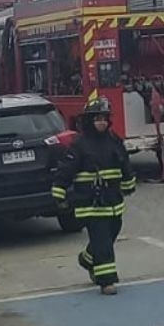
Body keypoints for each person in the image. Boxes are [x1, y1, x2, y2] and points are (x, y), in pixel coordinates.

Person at [51, 97, 137, 295]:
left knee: (112, 233)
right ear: (89, 120)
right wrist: (59, 193)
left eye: (105, 118)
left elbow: (124, 163)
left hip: (114, 202)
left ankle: (87, 259)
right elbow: (65, 170)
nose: (102, 122)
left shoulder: (114, 140)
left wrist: (129, 183)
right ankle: (106, 280)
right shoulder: (79, 145)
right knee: (102, 241)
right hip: (91, 203)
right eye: (97, 118)